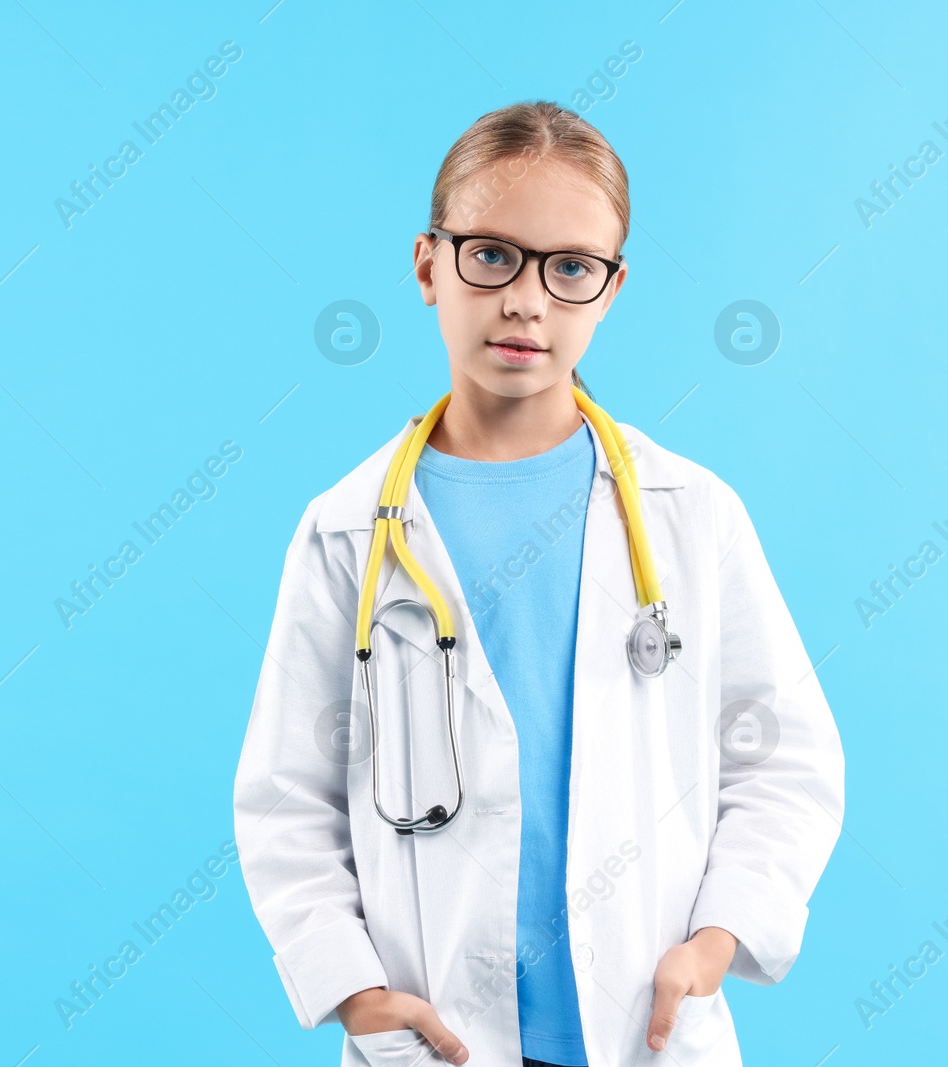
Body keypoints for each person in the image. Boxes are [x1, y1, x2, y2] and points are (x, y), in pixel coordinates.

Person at [231, 101, 844, 1067]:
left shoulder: (693, 513)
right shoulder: (347, 532)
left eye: (570, 268)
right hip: (438, 1033)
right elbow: (287, 796)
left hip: (648, 1023)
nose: (527, 300)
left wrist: (716, 941)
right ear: (430, 265)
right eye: (492, 256)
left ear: (611, 288)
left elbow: (784, 762)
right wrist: (349, 987)